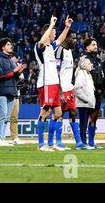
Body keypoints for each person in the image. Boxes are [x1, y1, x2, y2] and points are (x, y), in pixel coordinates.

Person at [34, 15, 73, 152]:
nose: (55, 34)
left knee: (58, 113)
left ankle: (51, 143)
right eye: (53, 33)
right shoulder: (41, 47)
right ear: (48, 33)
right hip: (46, 83)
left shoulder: (50, 47)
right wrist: (51, 25)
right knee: (44, 112)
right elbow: (41, 42)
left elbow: (60, 39)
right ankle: (41, 145)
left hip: (54, 83)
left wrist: (67, 27)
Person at [54, 29, 81, 150]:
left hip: (69, 88)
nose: (75, 41)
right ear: (66, 38)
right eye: (73, 38)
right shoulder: (59, 50)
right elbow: (56, 71)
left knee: (73, 112)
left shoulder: (69, 51)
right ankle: (58, 142)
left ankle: (79, 142)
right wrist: (60, 92)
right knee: (60, 114)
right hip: (61, 89)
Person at [0, 38, 26, 146]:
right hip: (1, 91)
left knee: (7, 117)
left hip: (12, 90)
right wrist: (14, 71)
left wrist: (19, 72)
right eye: (8, 44)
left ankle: (2, 138)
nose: (11, 46)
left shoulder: (10, 60)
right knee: (2, 115)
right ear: (2, 47)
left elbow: (15, 76)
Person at [83, 38, 105, 149]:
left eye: (96, 44)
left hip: (98, 93)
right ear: (87, 47)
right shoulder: (84, 60)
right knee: (85, 117)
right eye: (93, 45)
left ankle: (91, 142)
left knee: (94, 117)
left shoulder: (97, 60)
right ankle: (83, 142)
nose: (95, 46)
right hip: (88, 93)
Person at [74, 57, 96, 150]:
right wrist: (86, 99)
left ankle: (84, 142)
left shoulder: (88, 74)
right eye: (89, 63)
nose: (91, 65)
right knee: (83, 124)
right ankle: (82, 142)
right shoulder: (81, 74)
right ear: (83, 65)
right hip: (83, 103)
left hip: (86, 103)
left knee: (84, 123)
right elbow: (77, 88)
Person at [9, 52, 25, 145]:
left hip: (15, 94)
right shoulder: (5, 66)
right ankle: (0, 137)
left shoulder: (18, 68)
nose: (16, 60)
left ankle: (14, 137)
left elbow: (21, 81)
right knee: (1, 117)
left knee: (14, 117)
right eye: (15, 58)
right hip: (4, 94)